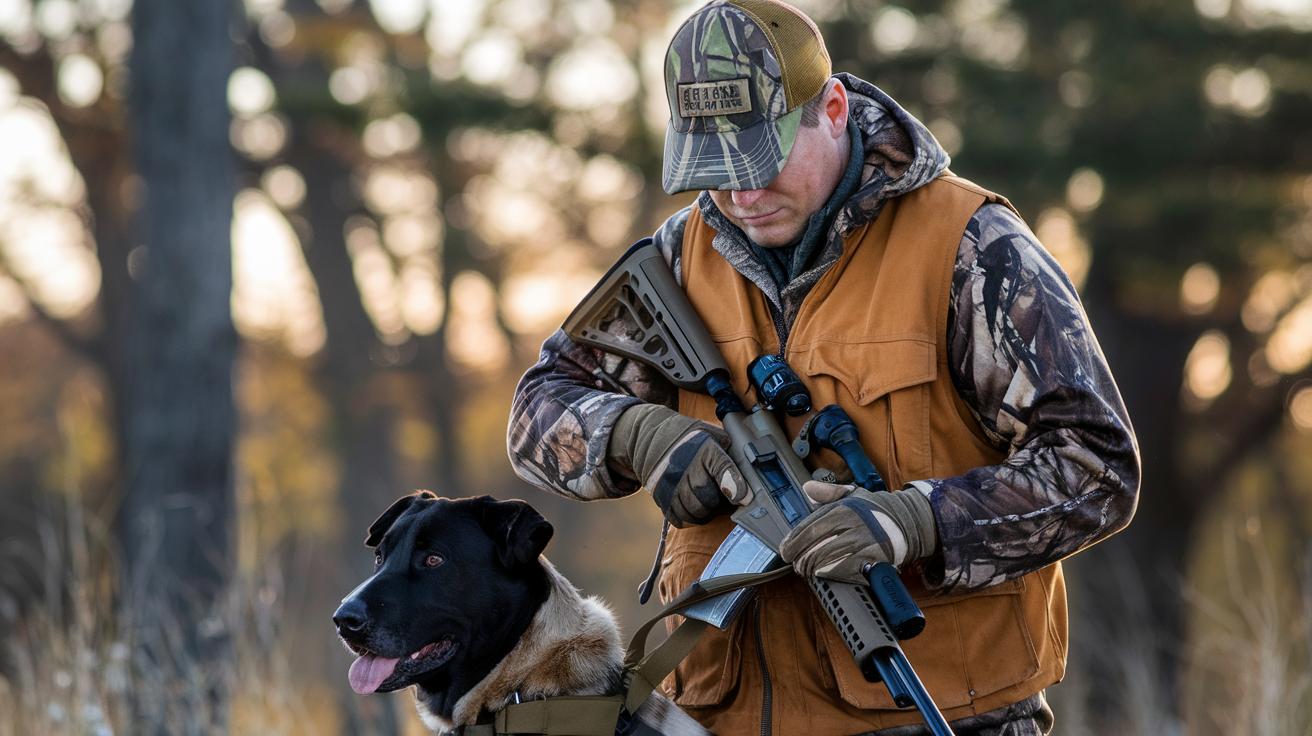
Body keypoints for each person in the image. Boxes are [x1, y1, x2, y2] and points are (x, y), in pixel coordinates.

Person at [506, 0, 1140, 733]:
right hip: (721, 716)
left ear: (833, 108)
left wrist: (917, 520)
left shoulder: (971, 247)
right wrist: (639, 437)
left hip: (945, 715)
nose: (742, 195)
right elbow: (536, 411)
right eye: (715, 169)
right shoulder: (677, 262)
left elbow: (1098, 466)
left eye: (761, 160)